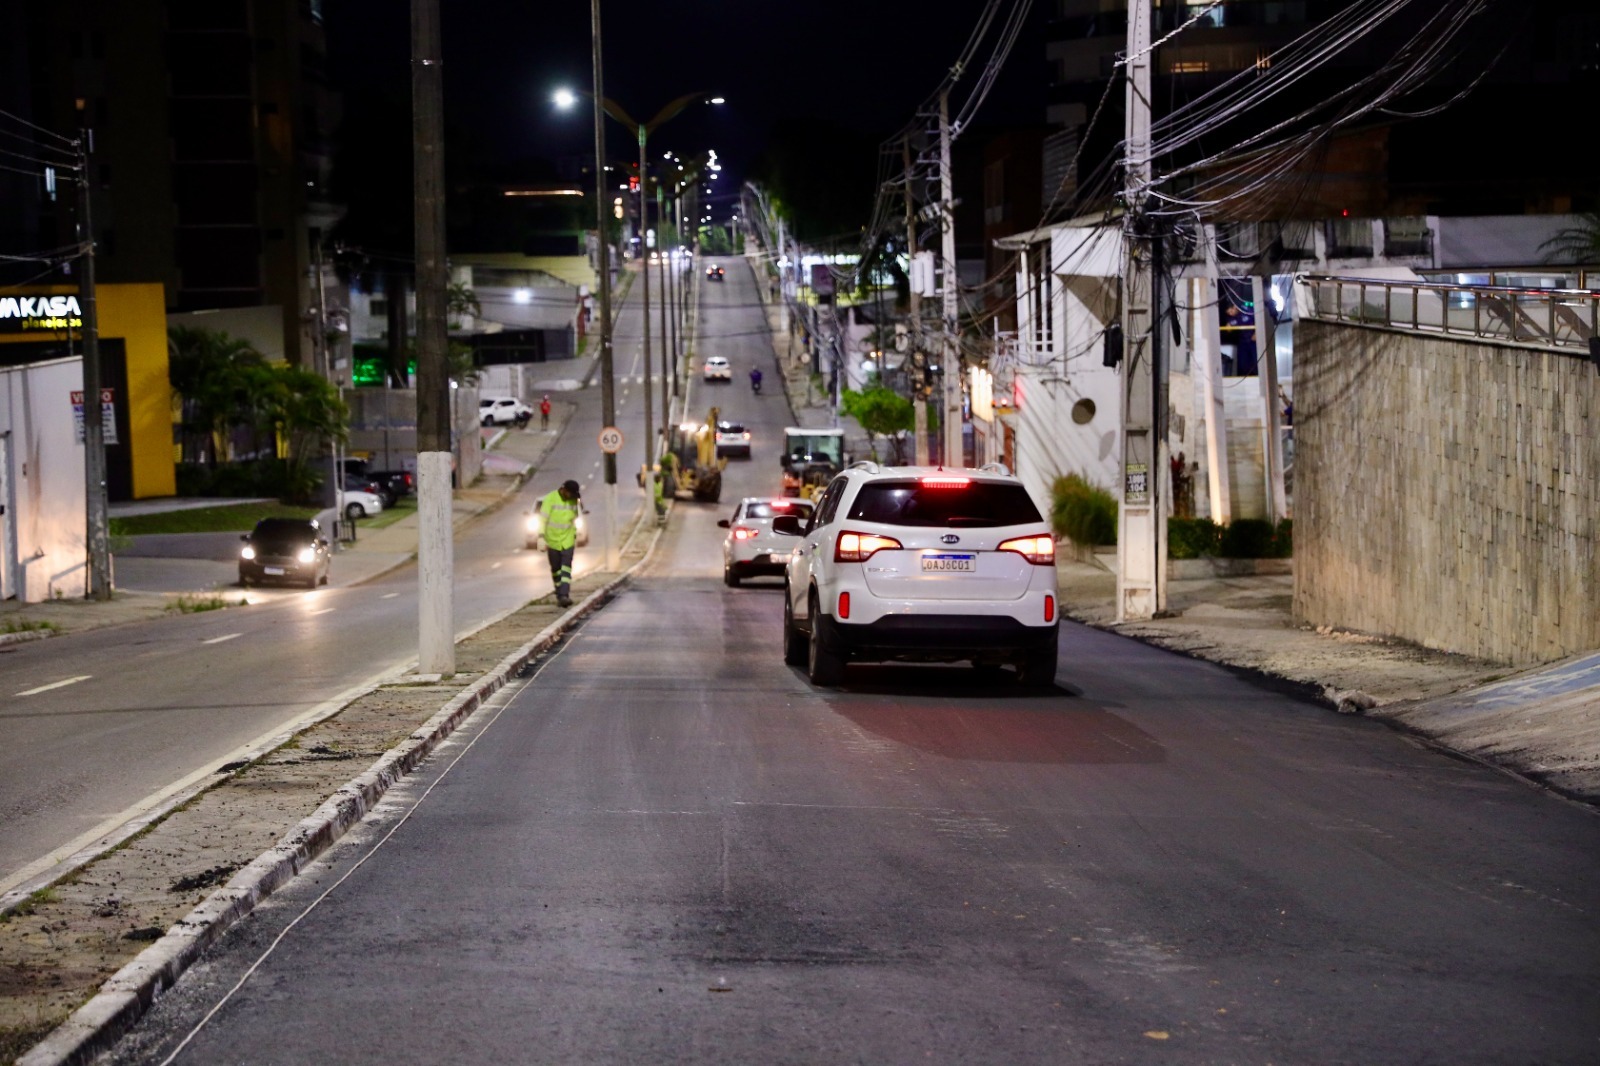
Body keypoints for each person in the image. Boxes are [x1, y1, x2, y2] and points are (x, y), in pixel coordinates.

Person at [538, 479, 582, 607]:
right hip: (553, 541)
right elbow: (542, 520)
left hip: (567, 540)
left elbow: (575, 518)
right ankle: (559, 593)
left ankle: (564, 595)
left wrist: (575, 534)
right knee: (556, 569)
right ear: (564, 490)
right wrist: (541, 536)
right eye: (570, 494)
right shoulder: (550, 499)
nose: (571, 497)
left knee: (566, 569)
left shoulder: (573, 500)